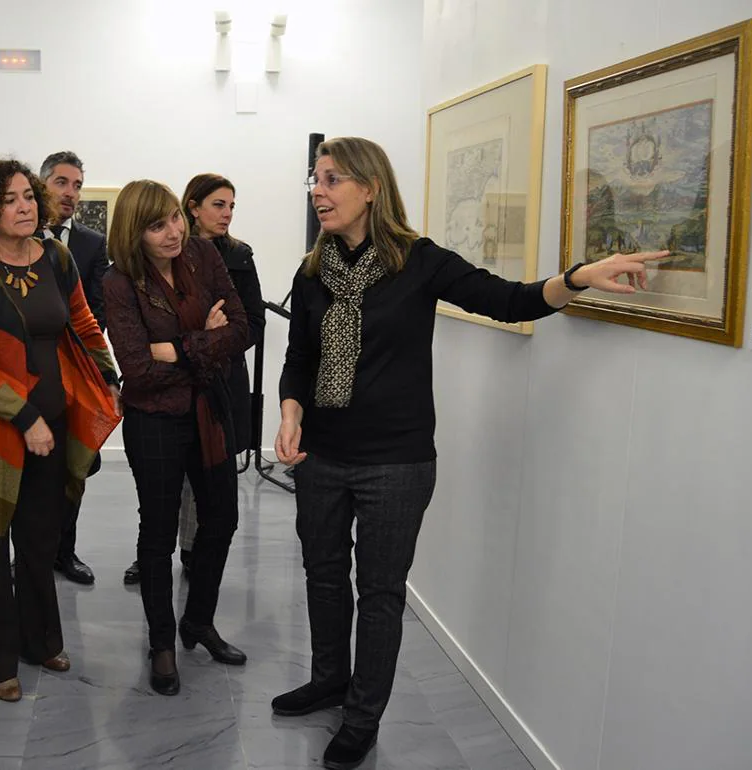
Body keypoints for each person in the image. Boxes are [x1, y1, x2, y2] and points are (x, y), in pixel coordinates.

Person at [272, 136, 666, 769]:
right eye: (315, 179)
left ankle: (362, 715)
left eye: (333, 179)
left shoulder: (420, 262)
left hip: (395, 463)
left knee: (378, 593)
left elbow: (506, 300)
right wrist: (291, 412)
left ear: (371, 188)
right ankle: (328, 680)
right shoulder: (313, 271)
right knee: (322, 575)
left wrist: (576, 279)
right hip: (320, 454)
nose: (319, 190)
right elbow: (299, 359)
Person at [0, 159, 119, 702]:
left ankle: (39, 640)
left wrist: (107, 375)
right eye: (9, 200)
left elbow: (83, 322)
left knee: (41, 541)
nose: (24, 207)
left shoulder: (57, 256)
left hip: (54, 425)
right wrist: (25, 418)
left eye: (28, 197)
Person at [102, 180, 252, 696]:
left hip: (211, 412)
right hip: (156, 421)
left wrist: (177, 349)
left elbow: (242, 329)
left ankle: (199, 622)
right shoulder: (119, 283)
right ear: (133, 232)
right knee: (159, 534)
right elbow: (138, 369)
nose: (173, 232)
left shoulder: (204, 255)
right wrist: (203, 343)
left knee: (222, 520)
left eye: (174, 218)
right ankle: (162, 642)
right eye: (157, 225)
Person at [122, 173, 264, 586]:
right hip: (164, 400)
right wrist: (207, 335)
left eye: (232, 205)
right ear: (193, 207)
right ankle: (159, 560)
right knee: (162, 497)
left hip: (218, 383)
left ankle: (194, 562)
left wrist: (184, 345)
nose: (227, 213)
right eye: (219, 204)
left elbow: (247, 325)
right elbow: (138, 359)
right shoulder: (137, 272)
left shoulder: (234, 256)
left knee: (212, 499)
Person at [39, 150, 111, 586]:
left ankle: (64, 552)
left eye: (78, 185)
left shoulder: (90, 243)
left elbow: (97, 310)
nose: (71, 193)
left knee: (76, 465)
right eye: (62, 182)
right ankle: (31, 552)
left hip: (77, 370)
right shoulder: (16, 234)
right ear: (43, 183)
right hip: (29, 370)